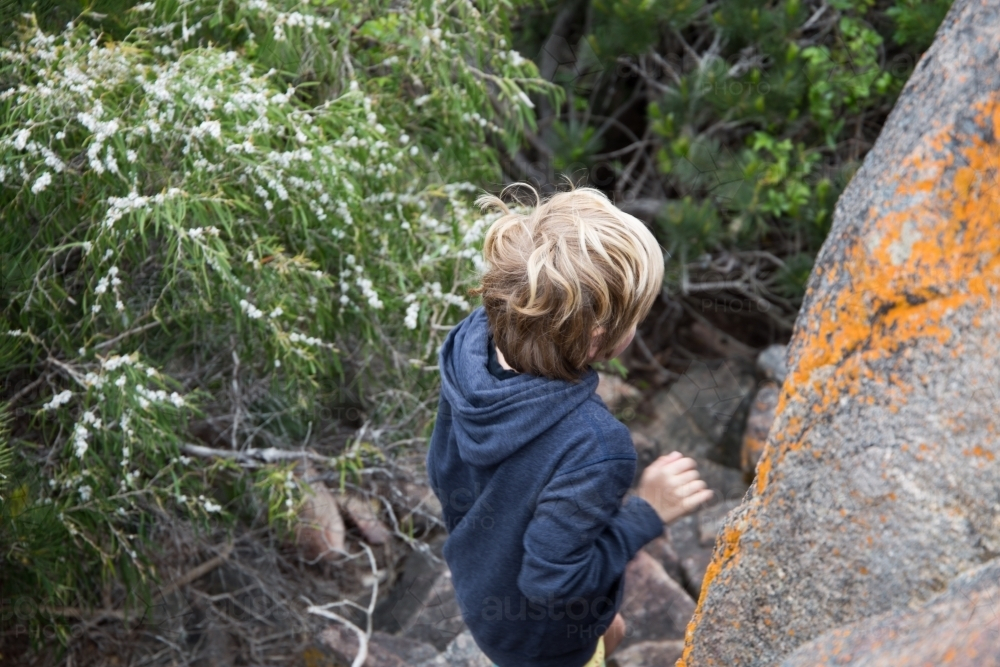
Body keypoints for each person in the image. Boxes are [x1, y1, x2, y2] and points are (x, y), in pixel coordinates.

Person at [426, 184, 714, 667]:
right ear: (598, 341)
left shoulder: (469, 345)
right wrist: (647, 512)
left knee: (610, 627)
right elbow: (554, 584)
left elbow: (443, 472)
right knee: (591, 646)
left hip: (478, 586)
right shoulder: (595, 445)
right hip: (541, 645)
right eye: (635, 320)